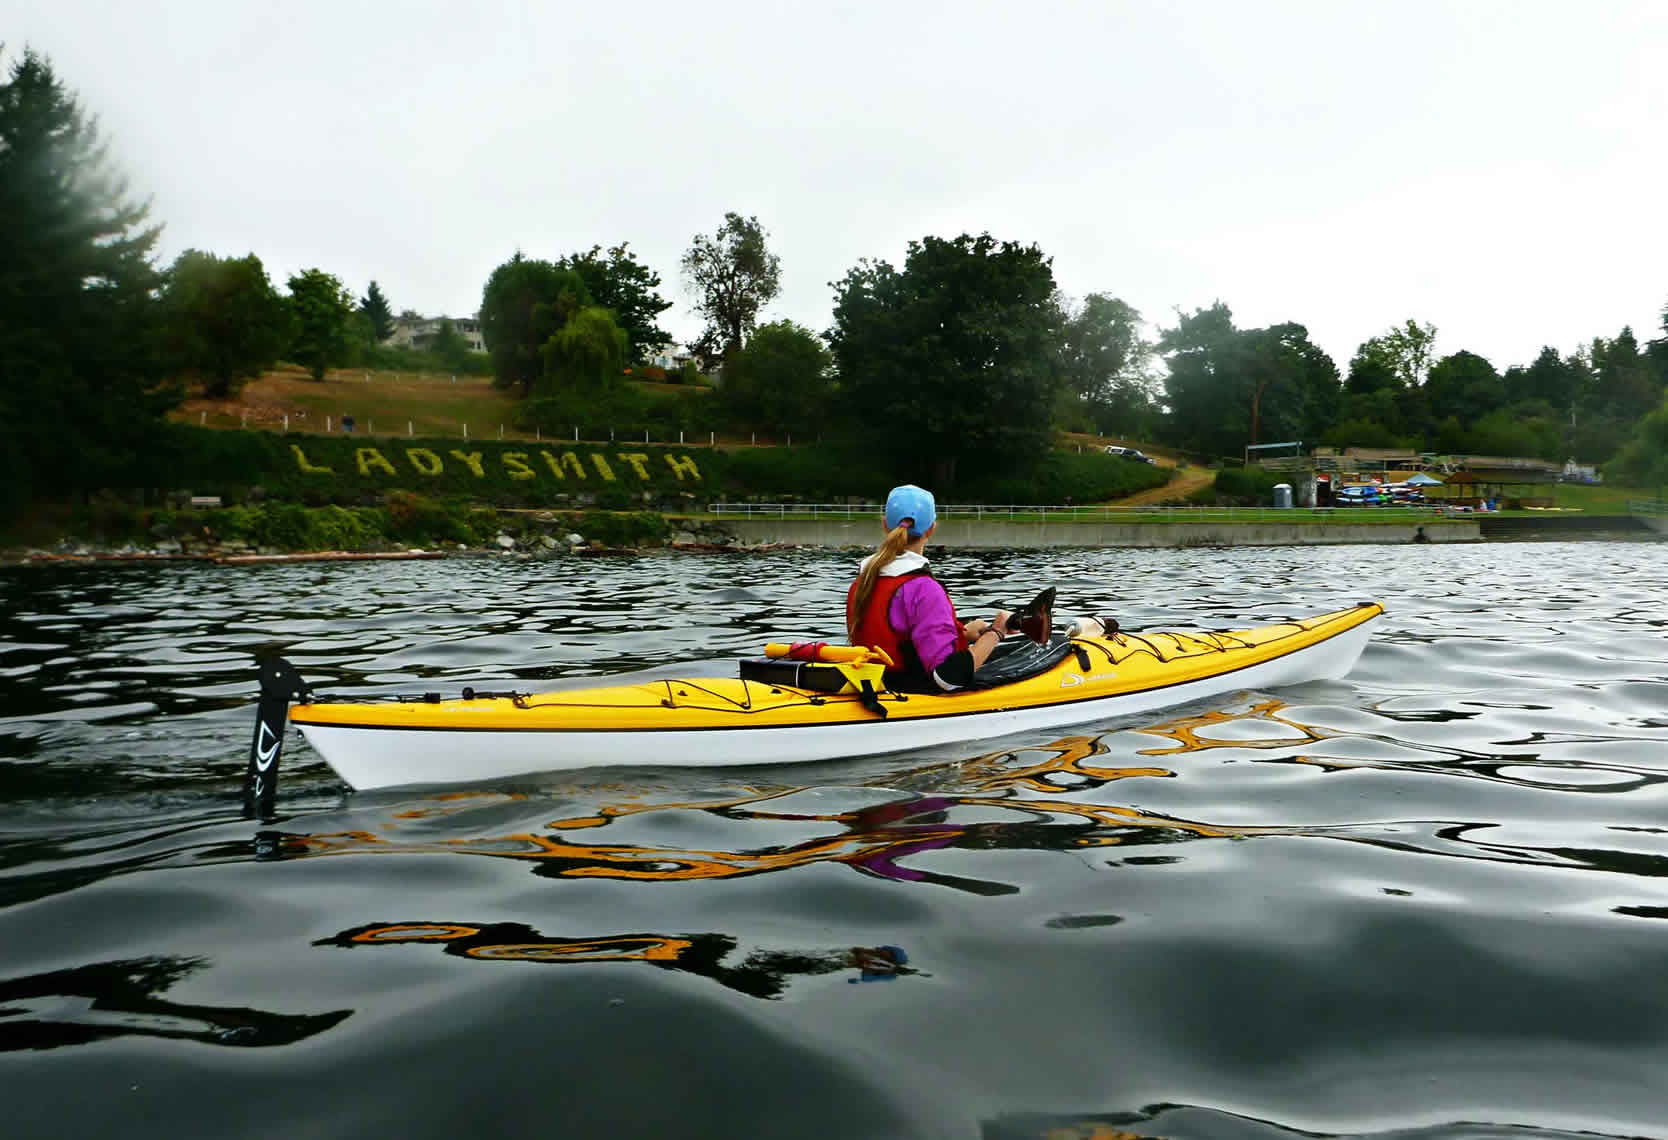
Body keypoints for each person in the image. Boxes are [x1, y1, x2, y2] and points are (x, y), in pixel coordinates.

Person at [845, 484, 1013, 694]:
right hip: (915, 694)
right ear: (931, 528)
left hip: (875, 687)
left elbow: (902, 634)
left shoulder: (861, 582)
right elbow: (948, 678)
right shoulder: (924, 589)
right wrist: (997, 631)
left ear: (885, 525)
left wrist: (963, 633)